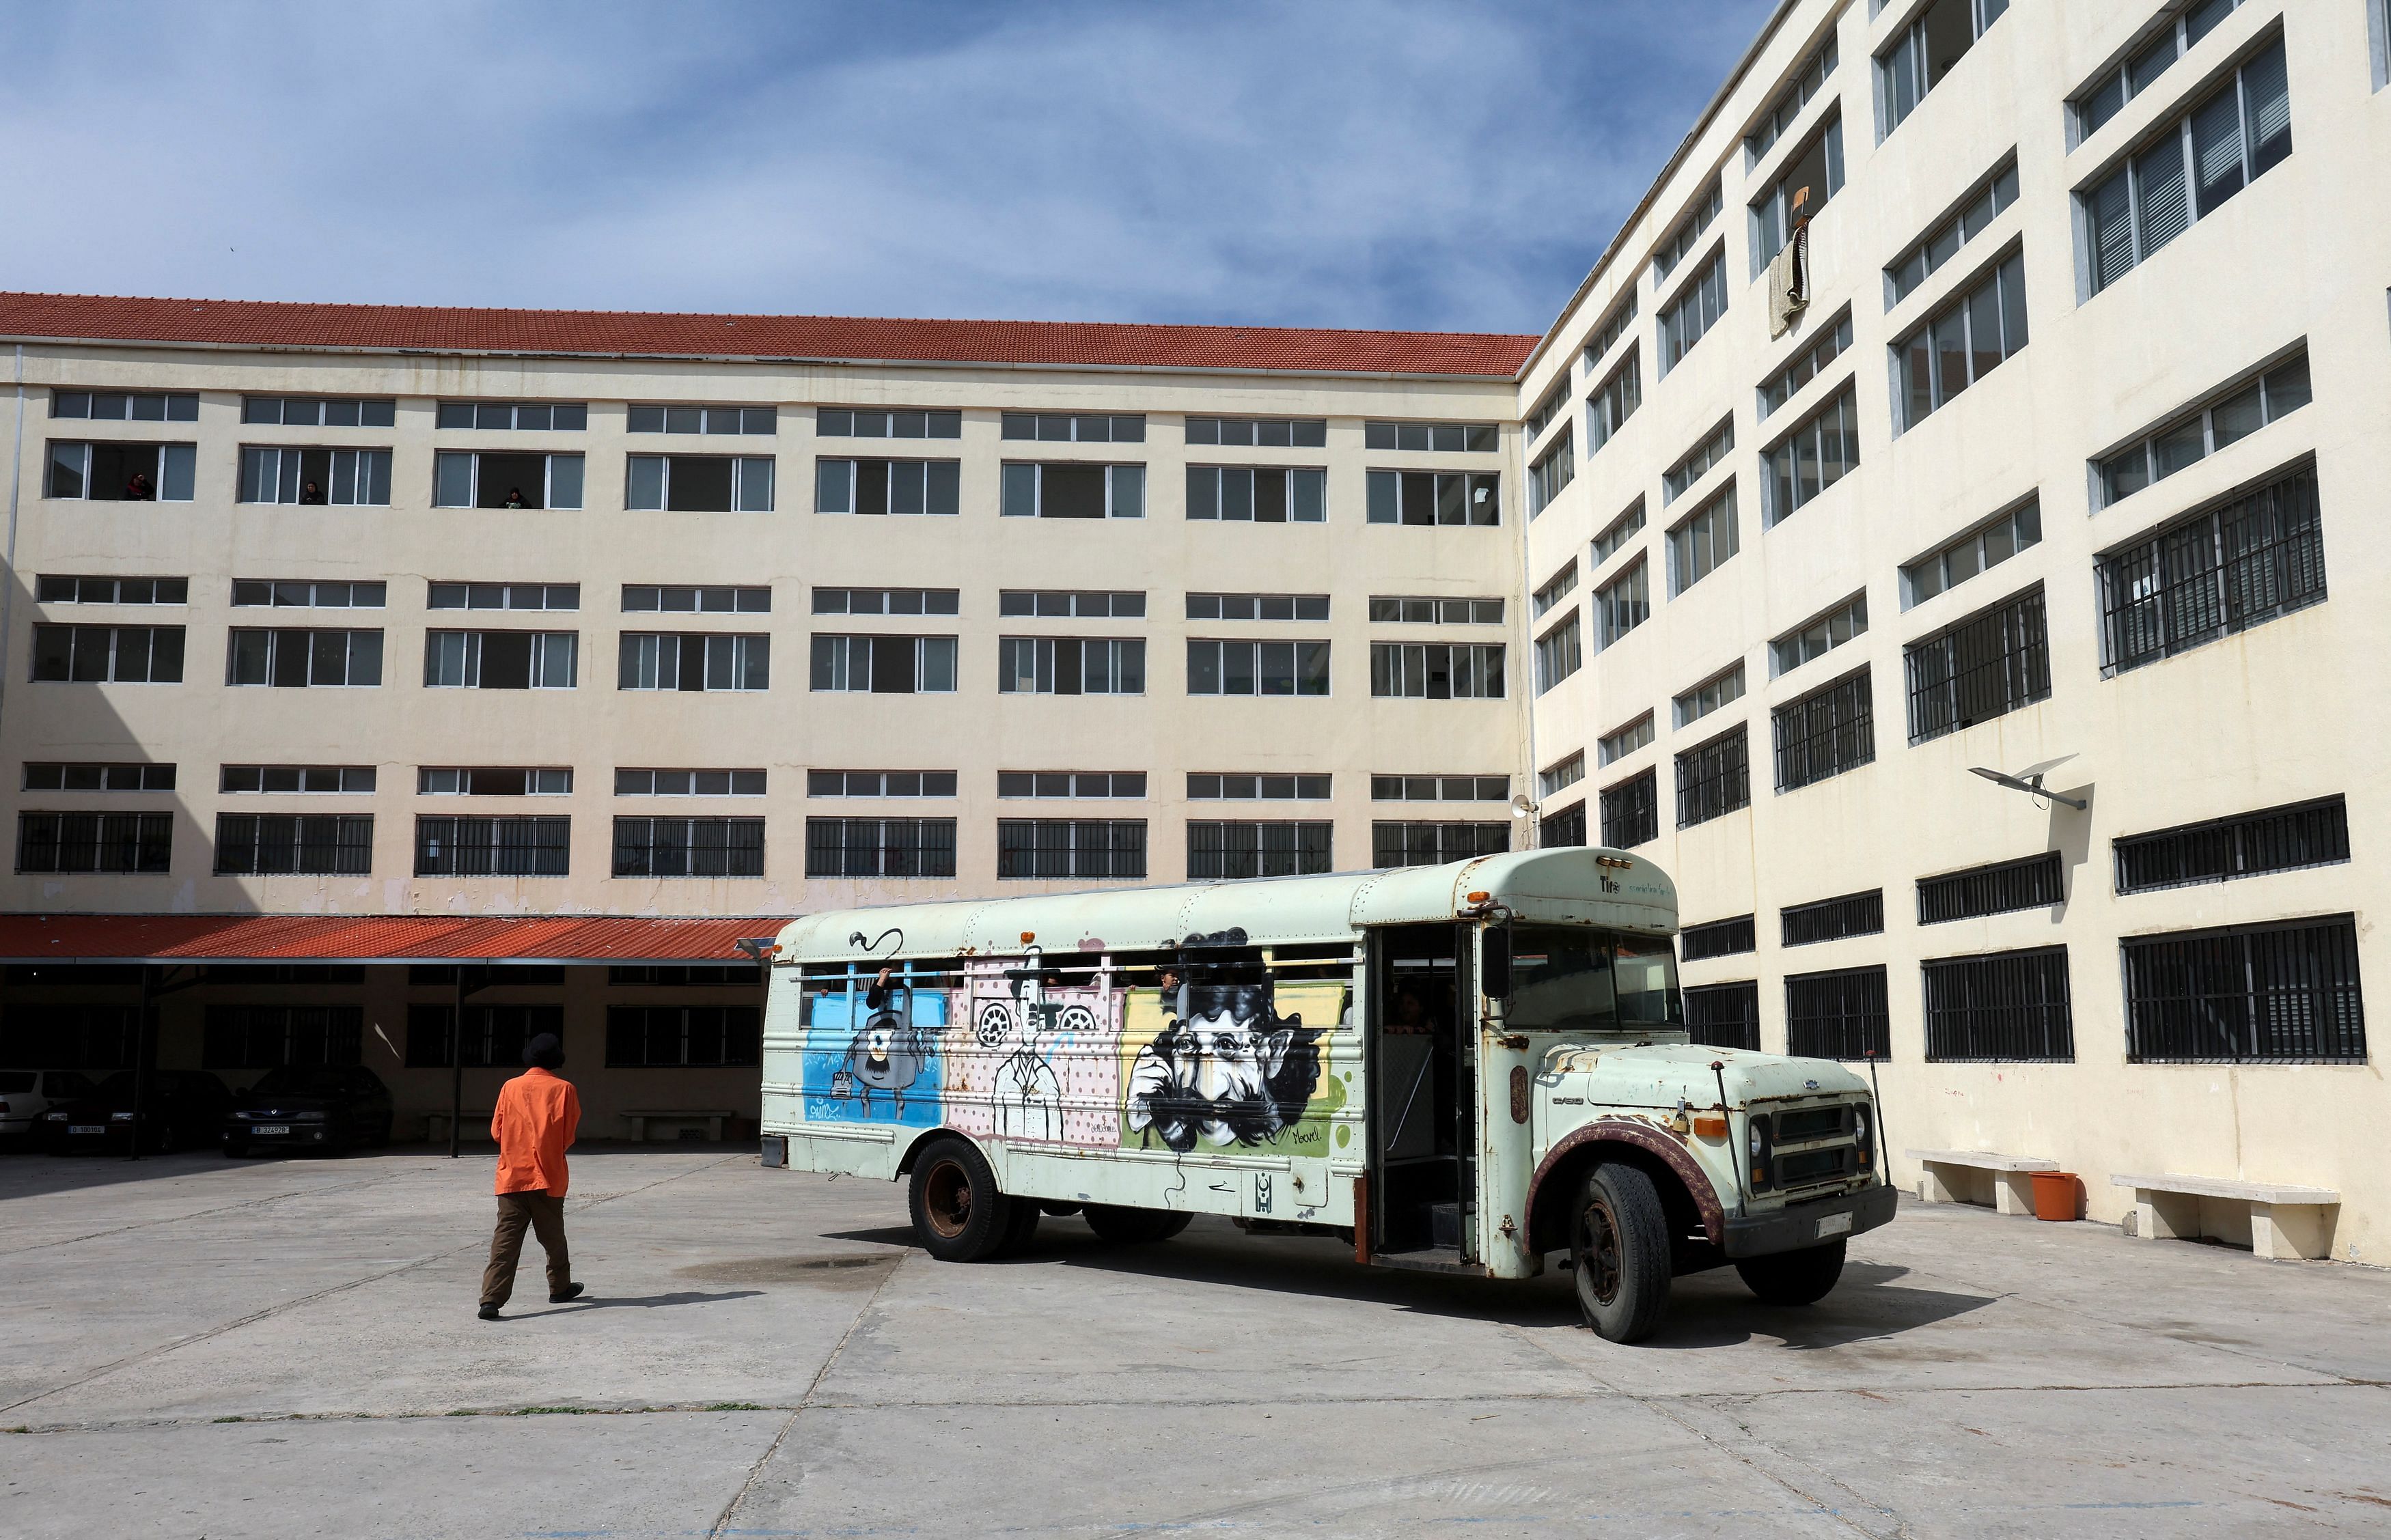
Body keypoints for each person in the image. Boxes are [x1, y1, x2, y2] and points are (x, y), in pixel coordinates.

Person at [478, 1032, 583, 1319]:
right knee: (553, 1238)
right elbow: (568, 1136)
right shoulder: (565, 1090)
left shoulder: (510, 1087)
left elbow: (497, 1132)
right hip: (548, 1177)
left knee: (506, 1240)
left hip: (512, 1176)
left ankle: (491, 1300)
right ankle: (559, 1288)